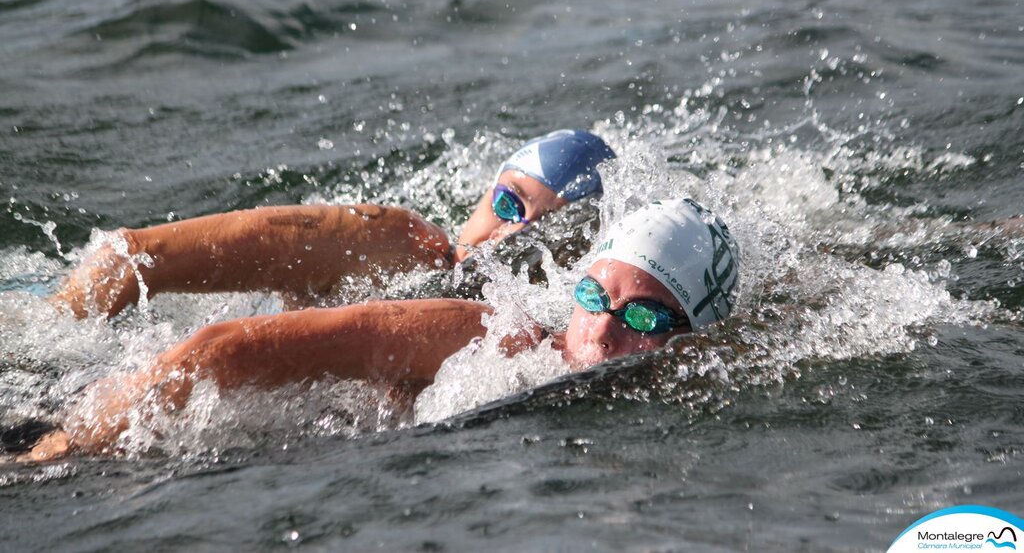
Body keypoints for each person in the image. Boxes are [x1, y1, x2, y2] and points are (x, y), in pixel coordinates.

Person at [26, 198, 740, 460]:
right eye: (594, 295)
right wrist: (64, 444)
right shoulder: (491, 337)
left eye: (643, 316)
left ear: (691, 337)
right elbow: (219, 351)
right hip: (71, 409)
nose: (604, 333)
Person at [52, 129, 616, 319]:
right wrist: (47, 337)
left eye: (547, 234)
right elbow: (129, 259)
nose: (510, 236)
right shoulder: (396, 243)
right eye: (509, 204)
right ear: (483, 193)